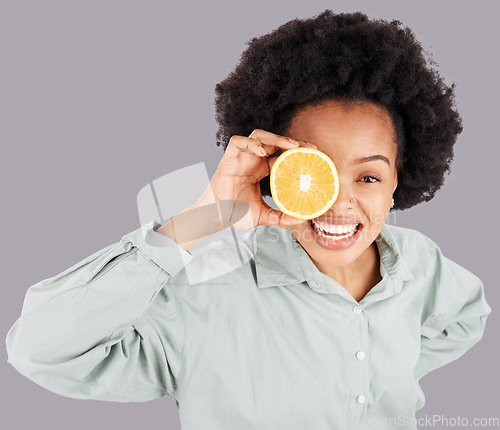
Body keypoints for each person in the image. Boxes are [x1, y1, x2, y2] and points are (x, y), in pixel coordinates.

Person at [5, 10, 492, 430]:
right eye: (313, 173)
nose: (338, 204)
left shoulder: (420, 262)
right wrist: (202, 219)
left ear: (397, 181)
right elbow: (42, 351)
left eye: (367, 178)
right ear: (274, 169)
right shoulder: (207, 293)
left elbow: (467, 317)